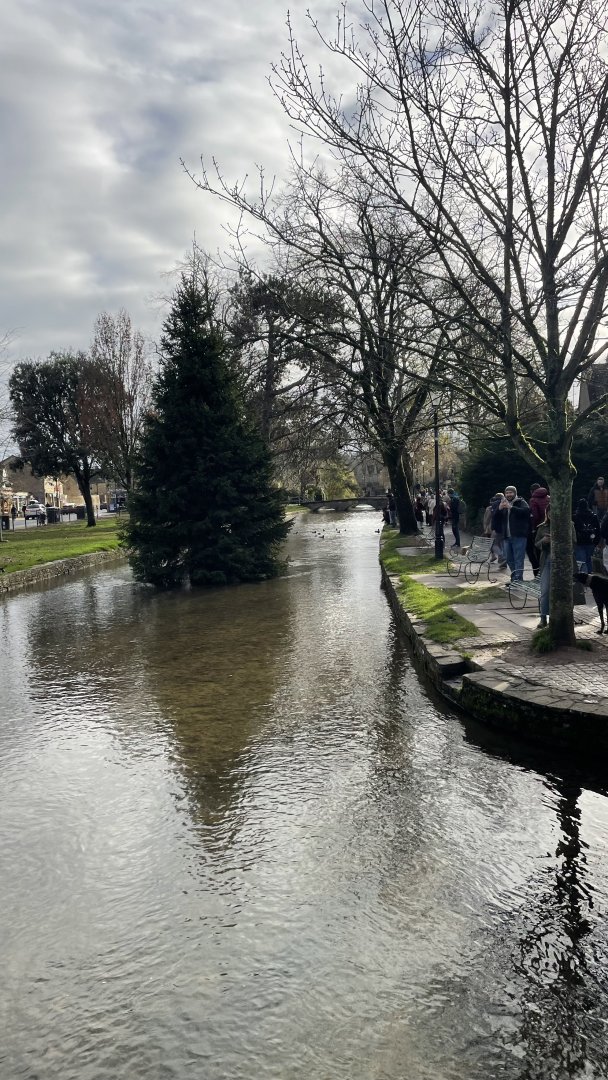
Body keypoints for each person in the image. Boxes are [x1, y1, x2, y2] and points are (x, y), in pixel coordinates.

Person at [492, 485, 530, 581]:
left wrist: (511, 507)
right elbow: (495, 518)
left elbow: (526, 512)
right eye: (507, 493)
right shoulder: (503, 503)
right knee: (508, 559)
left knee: (518, 559)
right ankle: (514, 577)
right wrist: (499, 509)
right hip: (506, 536)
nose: (509, 494)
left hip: (519, 536)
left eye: (511, 492)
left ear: (515, 493)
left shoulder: (521, 502)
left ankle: (518, 579)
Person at [573, 497, 600, 573]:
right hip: (590, 541)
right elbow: (598, 530)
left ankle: (583, 577)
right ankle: (589, 576)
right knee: (588, 560)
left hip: (579, 542)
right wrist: (596, 542)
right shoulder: (593, 516)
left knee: (581, 561)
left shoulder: (575, 517)